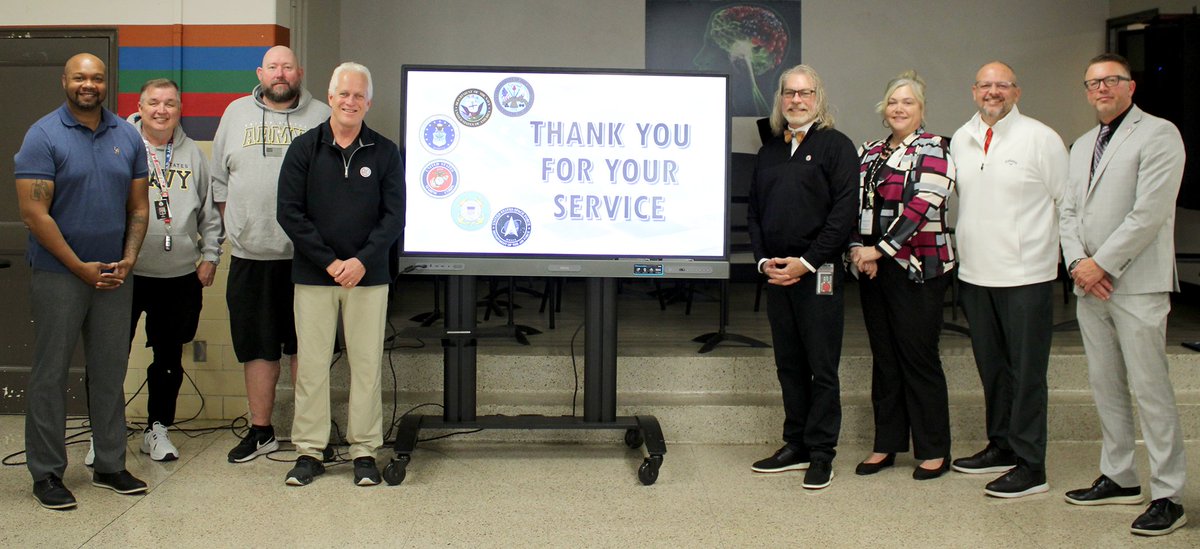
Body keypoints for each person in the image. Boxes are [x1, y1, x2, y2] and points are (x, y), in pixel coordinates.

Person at [1059, 53, 1188, 536]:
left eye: (1111, 80)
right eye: (1093, 82)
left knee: (1151, 389)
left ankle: (1169, 494)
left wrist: (1102, 264)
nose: (1101, 89)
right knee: (1106, 384)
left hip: (1135, 284)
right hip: (1090, 285)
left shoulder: (1159, 134)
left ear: (1131, 86)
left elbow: (1149, 212)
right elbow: (1068, 212)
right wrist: (1078, 264)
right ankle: (1119, 476)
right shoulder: (1082, 144)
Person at [14, 53, 150, 509]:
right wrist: (78, 266)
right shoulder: (43, 135)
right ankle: (47, 473)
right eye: (79, 77)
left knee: (110, 372)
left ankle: (110, 464)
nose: (88, 84)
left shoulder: (127, 135)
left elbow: (138, 206)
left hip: (114, 276)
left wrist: (128, 259)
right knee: (51, 373)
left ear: (106, 83)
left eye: (96, 77)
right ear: (65, 81)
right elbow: (33, 213)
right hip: (59, 275)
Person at [277, 62, 404, 487]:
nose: (351, 101)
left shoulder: (385, 152)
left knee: (366, 366)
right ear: (330, 97)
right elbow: (289, 212)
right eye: (343, 94)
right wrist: (330, 262)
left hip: (369, 276)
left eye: (359, 95)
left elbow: (394, 216)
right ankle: (310, 451)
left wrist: (362, 261)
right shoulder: (304, 149)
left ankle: (364, 451)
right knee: (312, 366)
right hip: (315, 275)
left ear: (369, 102)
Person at [949, 62, 1068, 498]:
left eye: (1002, 85)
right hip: (975, 274)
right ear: (973, 90)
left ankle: (1032, 465)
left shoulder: (1041, 138)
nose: (993, 92)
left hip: (1026, 275)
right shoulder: (960, 138)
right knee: (993, 370)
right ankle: (1001, 446)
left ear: (1016, 91)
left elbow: (1067, 203)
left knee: (1027, 372)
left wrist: (1074, 262)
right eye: (985, 85)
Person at [210, 45, 330, 463]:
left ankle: (309, 434)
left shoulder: (322, 117)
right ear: (260, 73)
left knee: (306, 349)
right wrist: (238, 228)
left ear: (300, 72)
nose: (280, 74)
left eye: (287, 67)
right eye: (273, 67)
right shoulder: (235, 113)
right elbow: (219, 181)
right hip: (252, 256)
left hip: (307, 258)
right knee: (257, 348)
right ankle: (260, 431)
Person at [747, 64, 857, 490]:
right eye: (789, 93)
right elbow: (755, 212)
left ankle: (822, 452)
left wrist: (806, 262)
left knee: (821, 367)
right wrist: (764, 262)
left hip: (819, 273)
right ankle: (795, 444)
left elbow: (842, 214)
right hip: (777, 276)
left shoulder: (836, 146)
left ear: (818, 98)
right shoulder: (770, 151)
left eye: (805, 93)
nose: (797, 100)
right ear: (780, 99)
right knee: (789, 364)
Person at [849, 71, 955, 481]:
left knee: (918, 356)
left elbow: (923, 205)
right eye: (893, 101)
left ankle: (933, 449)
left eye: (907, 102)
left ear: (921, 109)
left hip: (919, 268)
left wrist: (881, 249)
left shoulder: (935, 148)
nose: (899, 108)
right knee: (885, 358)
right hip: (873, 268)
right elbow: (852, 203)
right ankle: (886, 443)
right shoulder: (869, 151)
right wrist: (859, 250)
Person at [123, 78, 222, 461]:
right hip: (127, 273)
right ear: (140, 107)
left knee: (168, 358)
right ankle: (104, 433)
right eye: (154, 102)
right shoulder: (122, 147)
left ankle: (157, 429)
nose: (161, 110)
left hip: (178, 276)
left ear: (180, 110)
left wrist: (210, 256)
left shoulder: (193, 154)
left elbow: (209, 213)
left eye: (170, 104)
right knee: (109, 354)